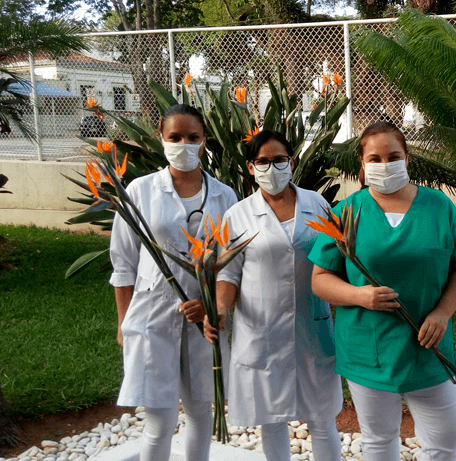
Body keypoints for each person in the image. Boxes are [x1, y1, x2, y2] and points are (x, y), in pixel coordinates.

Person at [308, 121, 456, 461]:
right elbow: (319, 278)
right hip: (367, 349)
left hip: (427, 345)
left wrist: (443, 312)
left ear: (407, 159)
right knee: (378, 440)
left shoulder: (438, 207)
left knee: (445, 438)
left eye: (393, 156)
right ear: (361, 164)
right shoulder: (346, 212)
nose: (384, 165)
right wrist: (362, 296)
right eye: (374, 158)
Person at [109, 104, 237, 461]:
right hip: (151, 315)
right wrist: (123, 323)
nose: (184, 144)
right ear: (160, 139)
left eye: (193, 137)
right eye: (175, 137)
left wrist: (211, 303)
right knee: (160, 422)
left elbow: (230, 263)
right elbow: (123, 264)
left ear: (204, 142)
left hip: (204, 321)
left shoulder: (225, 196)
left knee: (200, 414)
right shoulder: (140, 191)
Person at [205, 130, 343, 461]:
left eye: (279, 160)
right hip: (261, 329)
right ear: (251, 167)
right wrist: (221, 308)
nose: (272, 168)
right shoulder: (237, 215)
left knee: (322, 418)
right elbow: (228, 272)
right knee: (272, 419)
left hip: (312, 324)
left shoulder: (317, 204)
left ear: (291, 162)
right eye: (263, 162)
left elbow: (336, 259)